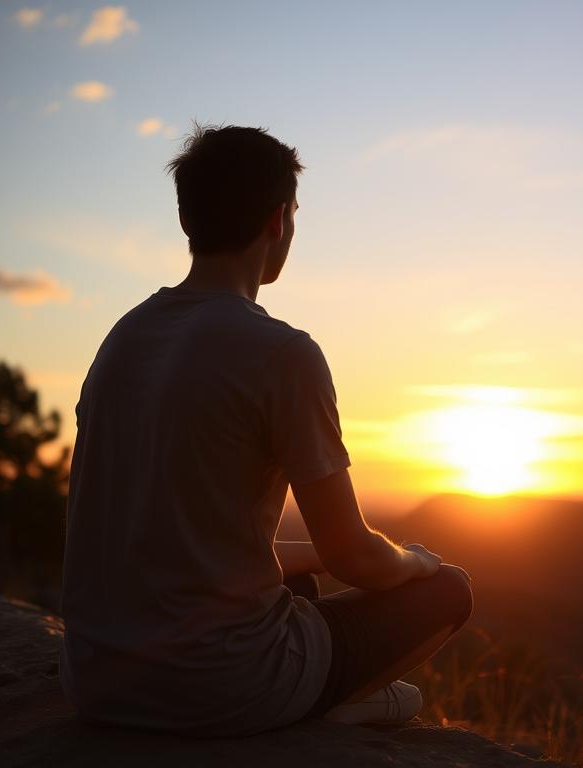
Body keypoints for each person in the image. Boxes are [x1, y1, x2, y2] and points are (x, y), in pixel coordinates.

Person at [59, 124, 473, 738]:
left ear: (186, 218)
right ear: (279, 220)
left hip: (96, 682)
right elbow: (353, 555)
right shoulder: (283, 354)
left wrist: (314, 560)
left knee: (297, 580)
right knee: (449, 590)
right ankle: (323, 703)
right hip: (221, 687)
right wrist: (413, 561)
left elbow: (177, 542)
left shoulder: (122, 340)